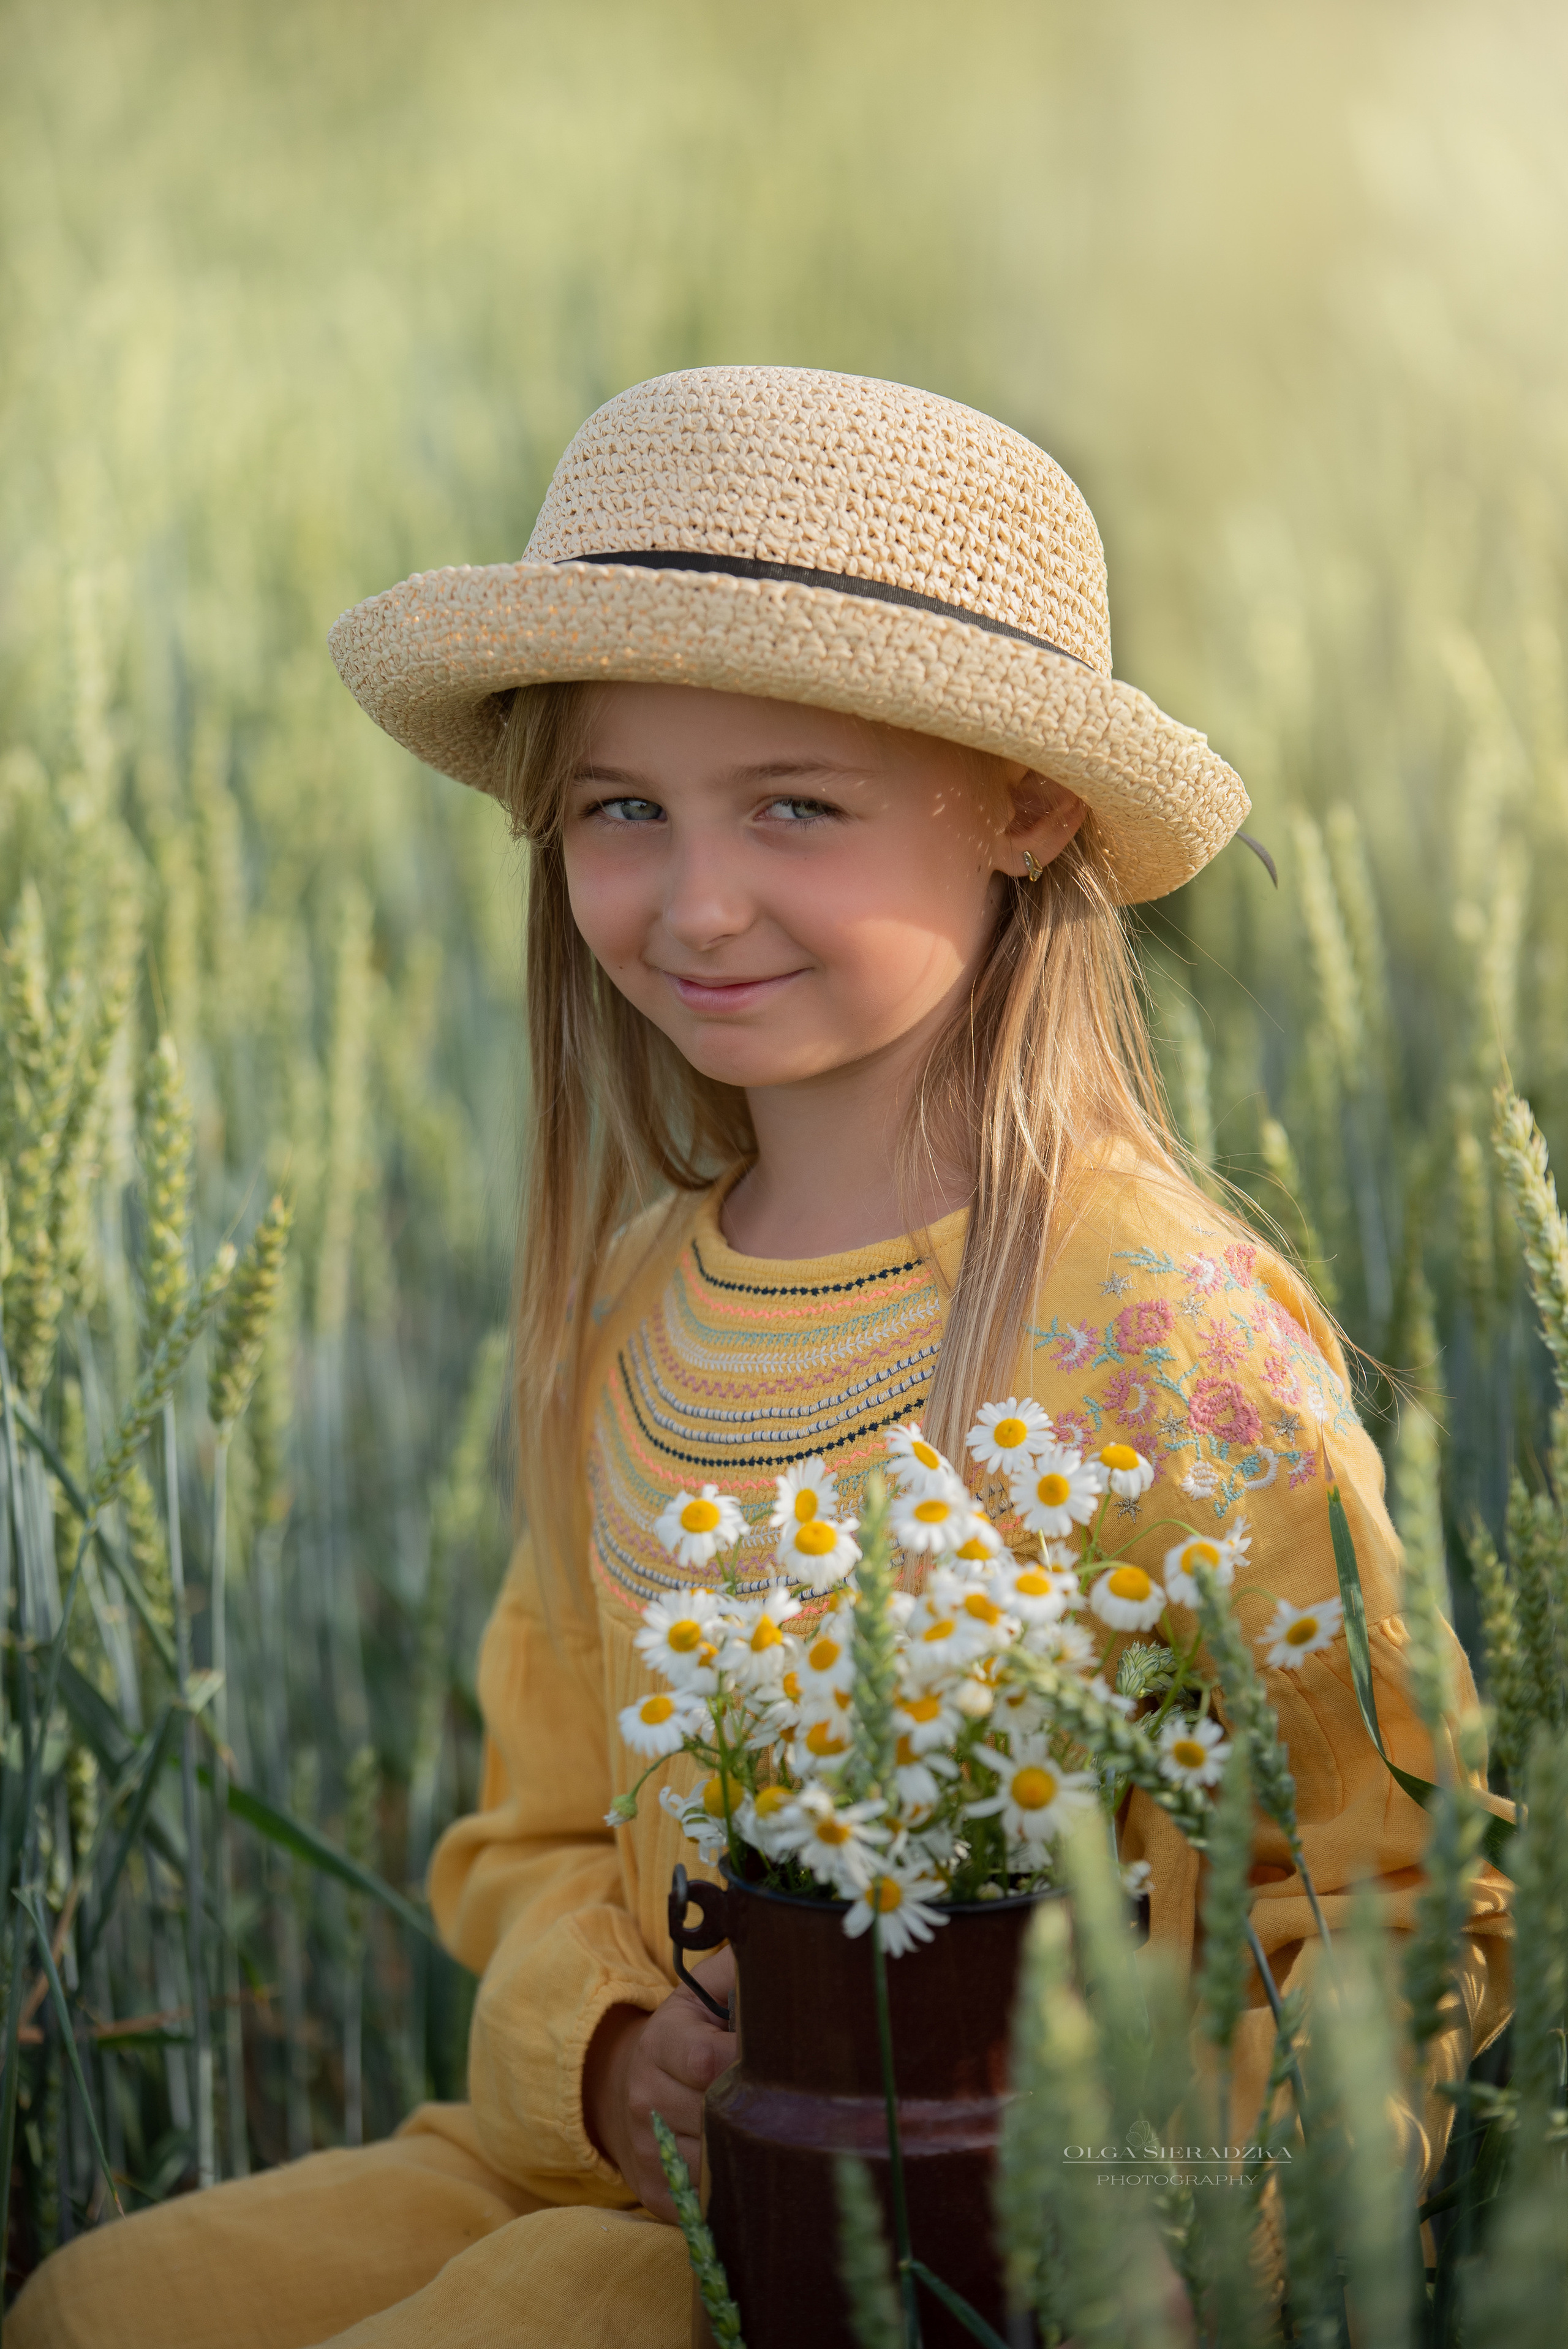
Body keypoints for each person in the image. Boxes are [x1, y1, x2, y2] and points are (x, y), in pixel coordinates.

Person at [13, 366, 1510, 2347]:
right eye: (622, 809)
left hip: (949, 2240)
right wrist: (606, 2047)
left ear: (1027, 806)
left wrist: (1175, 2233)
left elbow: (1399, 1896)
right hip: (616, 2160)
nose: (698, 900)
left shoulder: (1167, 1335)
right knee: (93, 2303)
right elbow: (535, 1833)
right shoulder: (631, 1303)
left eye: (795, 806)